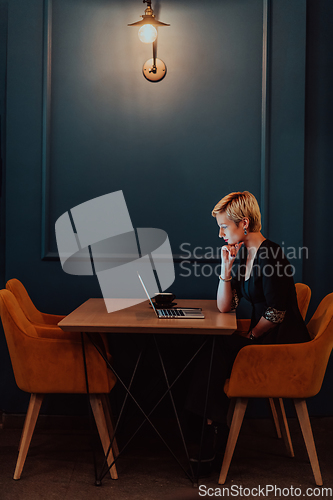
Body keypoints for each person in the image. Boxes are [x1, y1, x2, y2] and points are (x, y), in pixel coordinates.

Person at [185, 191, 310, 473]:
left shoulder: (271, 254)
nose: (219, 234)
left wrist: (250, 338)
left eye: (224, 226)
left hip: (281, 347)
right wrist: (226, 269)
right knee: (209, 345)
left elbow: (276, 314)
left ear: (244, 223)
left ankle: (208, 431)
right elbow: (227, 306)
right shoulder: (246, 255)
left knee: (214, 349)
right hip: (262, 340)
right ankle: (209, 427)